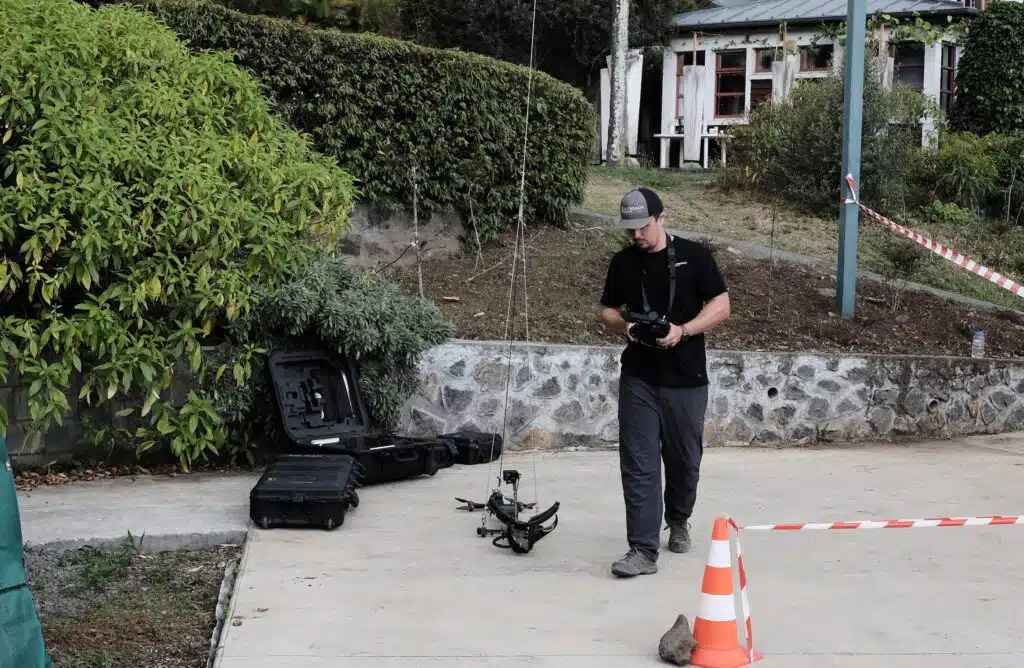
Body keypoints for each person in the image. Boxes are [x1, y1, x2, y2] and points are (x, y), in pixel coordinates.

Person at [598, 187, 731, 578]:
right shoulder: (623, 263)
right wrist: (626, 326)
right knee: (638, 464)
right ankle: (641, 550)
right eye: (629, 230)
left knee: (685, 462)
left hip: (687, 380)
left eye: (642, 226)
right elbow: (606, 310)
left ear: (661, 217)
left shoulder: (696, 256)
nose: (636, 235)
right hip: (638, 377)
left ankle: (678, 518)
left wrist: (683, 331)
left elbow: (722, 305)